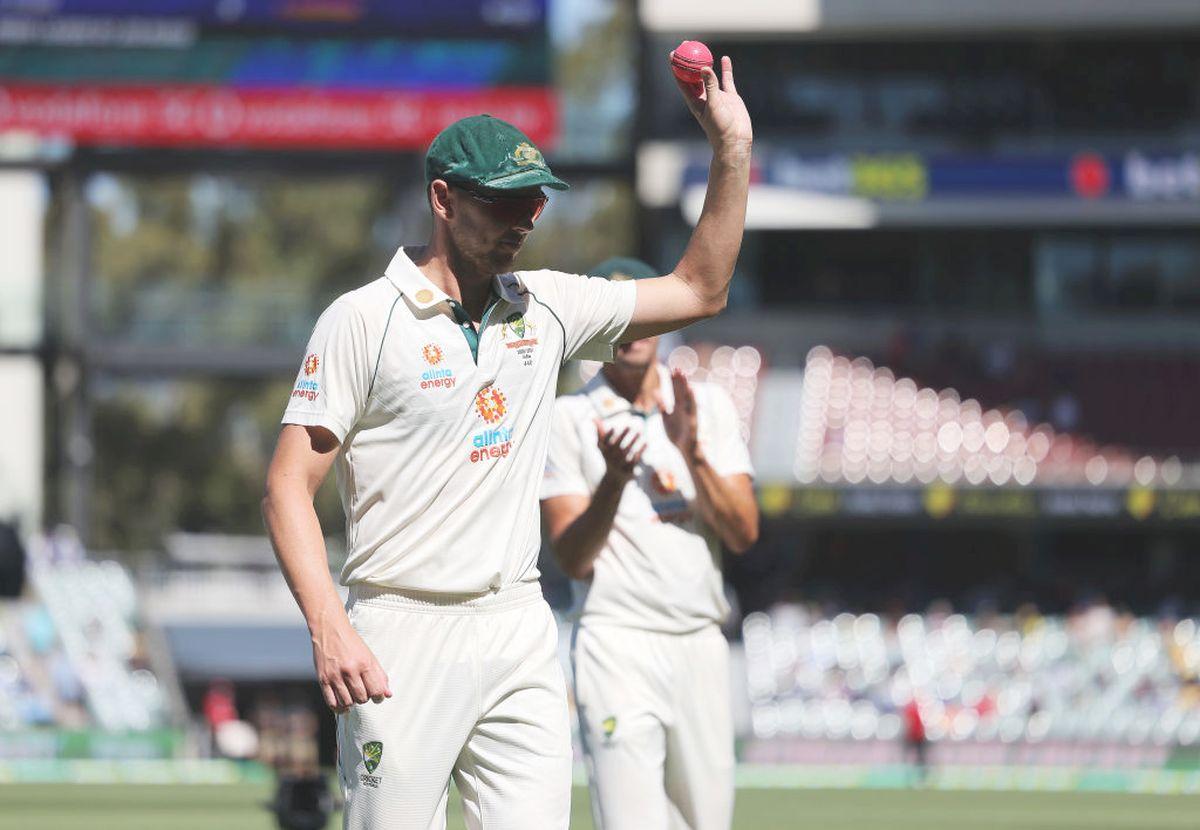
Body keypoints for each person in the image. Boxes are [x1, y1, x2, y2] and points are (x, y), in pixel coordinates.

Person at [262, 52, 752, 829]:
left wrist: (731, 150)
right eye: (504, 205)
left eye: (534, 203)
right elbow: (287, 486)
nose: (524, 222)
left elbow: (700, 289)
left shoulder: (548, 307)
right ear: (443, 200)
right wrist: (330, 627)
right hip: (399, 627)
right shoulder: (361, 320)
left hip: (518, 626)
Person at [539, 258, 759, 829]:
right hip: (616, 643)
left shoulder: (705, 406)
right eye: (619, 320)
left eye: (643, 318)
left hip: (699, 641)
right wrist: (612, 480)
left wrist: (691, 450)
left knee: (706, 822)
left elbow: (742, 532)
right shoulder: (569, 418)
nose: (632, 334)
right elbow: (571, 558)